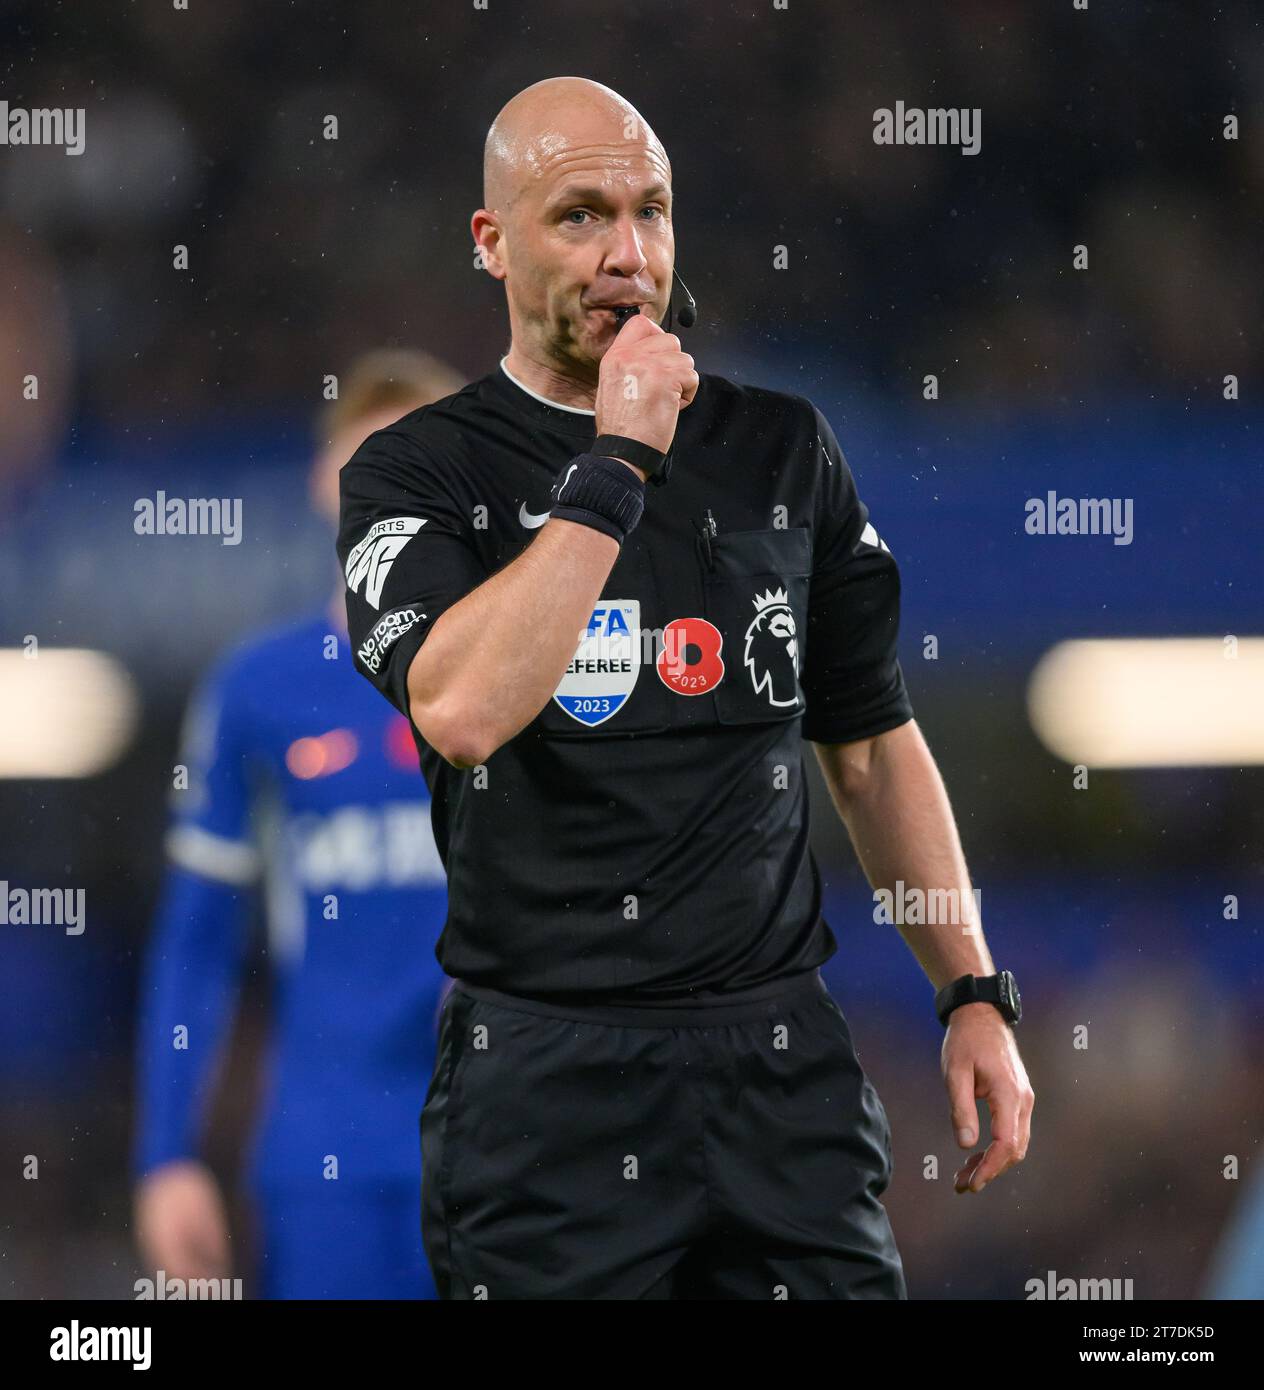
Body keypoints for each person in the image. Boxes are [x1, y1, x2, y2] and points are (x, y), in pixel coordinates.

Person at [337, 77, 1034, 1300]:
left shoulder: (782, 448)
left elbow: (870, 746)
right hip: (546, 1082)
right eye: (580, 216)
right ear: (491, 244)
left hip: (777, 1067)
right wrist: (617, 459)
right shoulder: (417, 472)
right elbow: (459, 709)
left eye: (651, 212)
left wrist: (970, 990)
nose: (627, 254)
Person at [133, 350, 465, 1299]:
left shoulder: (533, 684)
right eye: (369, 453)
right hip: (333, 1166)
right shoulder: (260, 690)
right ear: (324, 482)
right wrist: (167, 1156)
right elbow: (195, 944)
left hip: (517, 1155)